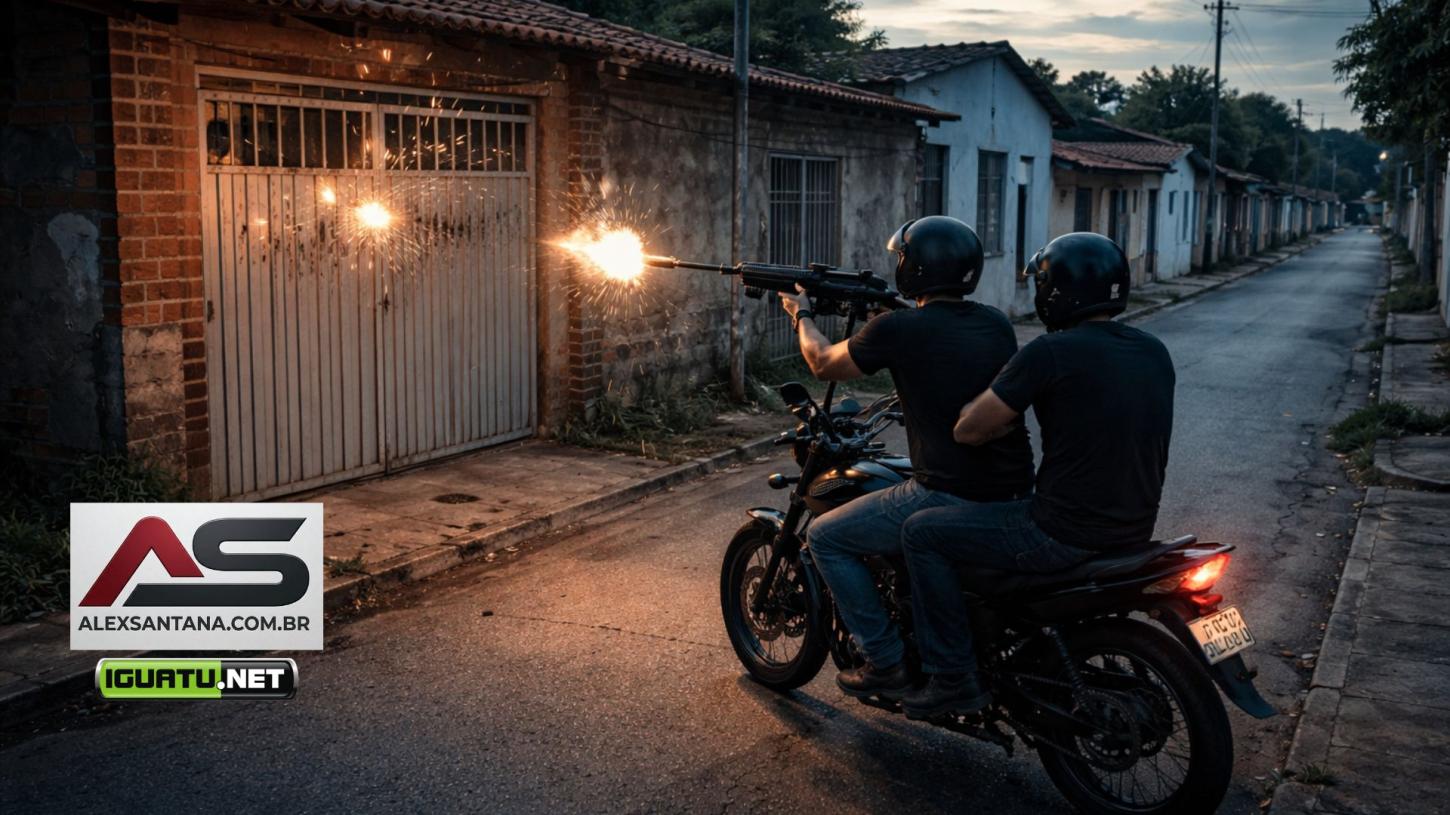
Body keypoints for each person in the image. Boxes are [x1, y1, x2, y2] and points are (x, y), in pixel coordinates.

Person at [898, 231, 1177, 720]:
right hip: (1133, 529)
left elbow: (969, 429)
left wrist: (985, 412)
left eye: (1040, 285)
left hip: (1060, 532)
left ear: (1055, 292)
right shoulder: (1153, 350)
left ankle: (952, 678)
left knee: (922, 533)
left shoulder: (1049, 353)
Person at [777, 216, 1034, 701]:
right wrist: (890, 312)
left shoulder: (899, 329)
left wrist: (801, 315)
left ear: (912, 267)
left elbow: (823, 362)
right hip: (1012, 491)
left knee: (825, 536)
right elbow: (944, 348)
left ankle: (886, 662)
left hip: (945, 493)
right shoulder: (995, 322)